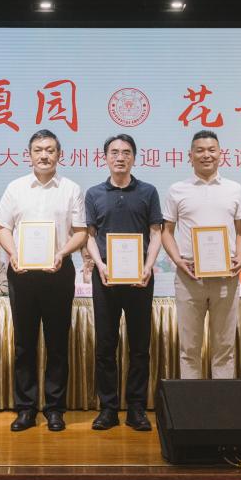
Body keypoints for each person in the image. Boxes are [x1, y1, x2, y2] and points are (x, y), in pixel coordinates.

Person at [0, 129, 88, 432]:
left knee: (58, 343)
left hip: (58, 271)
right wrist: (13, 253)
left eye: (50, 150)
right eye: (38, 150)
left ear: (60, 154)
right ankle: (26, 408)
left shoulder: (71, 189)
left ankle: (55, 409)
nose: (44, 155)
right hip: (22, 274)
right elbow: (3, 228)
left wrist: (61, 252)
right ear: (29, 155)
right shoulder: (16, 187)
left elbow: (81, 232)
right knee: (24, 343)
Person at [84, 134, 163, 432]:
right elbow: (90, 235)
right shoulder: (94, 193)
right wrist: (100, 264)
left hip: (140, 278)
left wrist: (148, 266)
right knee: (106, 345)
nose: (120, 157)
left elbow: (156, 232)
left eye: (126, 152)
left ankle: (136, 408)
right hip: (105, 276)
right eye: (114, 152)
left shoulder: (148, 191)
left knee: (140, 346)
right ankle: (108, 408)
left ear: (134, 157)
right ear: (105, 157)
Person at [161, 130, 241, 380]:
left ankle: (221, 402)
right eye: (199, 150)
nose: (206, 155)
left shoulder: (234, 189)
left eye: (211, 150)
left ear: (221, 154)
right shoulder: (177, 190)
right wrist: (178, 260)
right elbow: (166, 232)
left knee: (225, 348)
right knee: (189, 349)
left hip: (226, 277)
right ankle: (192, 404)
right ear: (190, 156)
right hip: (189, 277)